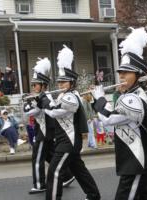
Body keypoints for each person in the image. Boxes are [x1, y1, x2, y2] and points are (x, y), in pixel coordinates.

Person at [92, 27, 147, 200]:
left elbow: (109, 119)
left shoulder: (134, 98)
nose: (122, 76)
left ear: (138, 74)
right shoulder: (129, 95)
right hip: (135, 156)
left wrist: (99, 99)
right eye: (121, 72)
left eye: (126, 72)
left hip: (137, 158)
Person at [41, 45, 100, 200]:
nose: (60, 85)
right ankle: (93, 195)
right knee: (79, 171)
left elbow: (53, 112)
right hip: (66, 140)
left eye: (64, 82)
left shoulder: (71, 97)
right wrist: (44, 100)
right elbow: (52, 107)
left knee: (54, 172)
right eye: (59, 82)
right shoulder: (64, 95)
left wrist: (44, 99)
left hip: (68, 142)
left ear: (72, 83)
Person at [23, 57, 74, 194]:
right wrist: (29, 101)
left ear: (44, 86)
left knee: (37, 157)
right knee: (49, 155)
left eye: (36, 85)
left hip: (44, 132)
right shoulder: (41, 97)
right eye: (33, 85)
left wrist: (27, 103)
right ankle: (68, 176)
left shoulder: (44, 97)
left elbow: (31, 111)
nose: (33, 87)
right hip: (46, 130)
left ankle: (39, 184)